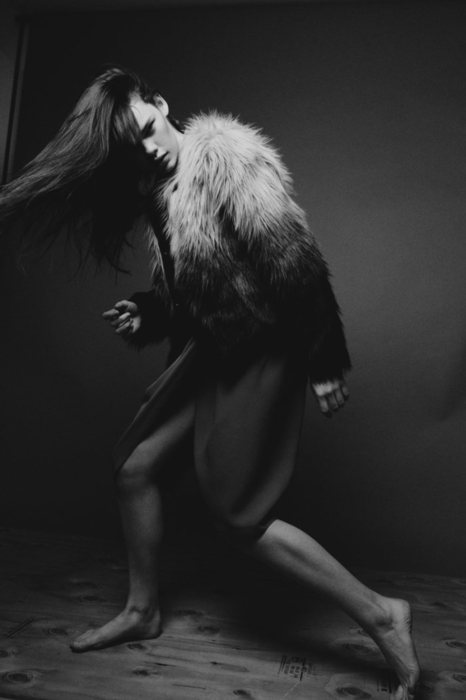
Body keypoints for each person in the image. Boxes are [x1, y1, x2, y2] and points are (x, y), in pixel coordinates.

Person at [0, 67, 420, 698]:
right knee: (135, 468)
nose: (148, 148)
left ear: (161, 104)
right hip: (211, 352)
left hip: (261, 349)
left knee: (239, 516)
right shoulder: (157, 189)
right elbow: (198, 293)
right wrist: (149, 312)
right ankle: (143, 611)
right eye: (132, 144)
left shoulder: (226, 159)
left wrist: (325, 359)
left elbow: (295, 263)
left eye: (148, 127)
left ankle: (383, 613)